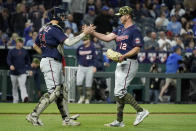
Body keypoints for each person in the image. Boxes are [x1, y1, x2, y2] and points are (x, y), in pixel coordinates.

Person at [26, 7, 94, 126]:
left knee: (62, 91)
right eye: (62, 15)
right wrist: (85, 33)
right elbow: (69, 42)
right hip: (51, 62)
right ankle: (34, 115)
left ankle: (66, 120)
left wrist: (46, 52)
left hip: (50, 61)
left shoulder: (44, 28)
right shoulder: (54, 29)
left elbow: (35, 46)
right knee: (55, 91)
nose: (63, 17)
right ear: (56, 16)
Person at [91, 6, 149, 127]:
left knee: (120, 91)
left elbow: (137, 48)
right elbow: (107, 38)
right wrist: (92, 32)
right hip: (121, 63)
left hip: (129, 62)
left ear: (127, 15)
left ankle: (141, 111)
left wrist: (125, 55)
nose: (120, 17)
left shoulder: (135, 30)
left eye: (121, 15)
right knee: (118, 93)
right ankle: (119, 121)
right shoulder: (120, 29)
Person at [7, 37, 30, 103]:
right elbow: (8, 59)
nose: (21, 43)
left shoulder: (24, 51)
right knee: (14, 87)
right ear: (17, 43)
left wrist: (29, 69)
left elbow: (28, 61)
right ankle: (15, 100)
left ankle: (24, 98)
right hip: (13, 72)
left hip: (22, 72)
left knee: (22, 85)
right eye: (19, 42)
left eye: (21, 42)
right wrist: (11, 65)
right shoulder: (11, 51)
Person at [76, 34, 97, 104]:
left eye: (85, 40)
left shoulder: (92, 48)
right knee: (78, 82)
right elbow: (77, 56)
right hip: (81, 67)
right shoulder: (80, 47)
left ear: (88, 40)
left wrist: (94, 66)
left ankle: (87, 99)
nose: (84, 41)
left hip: (89, 67)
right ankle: (81, 97)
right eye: (83, 40)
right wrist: (79, 63)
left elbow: (95, 58)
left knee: (88, 84)